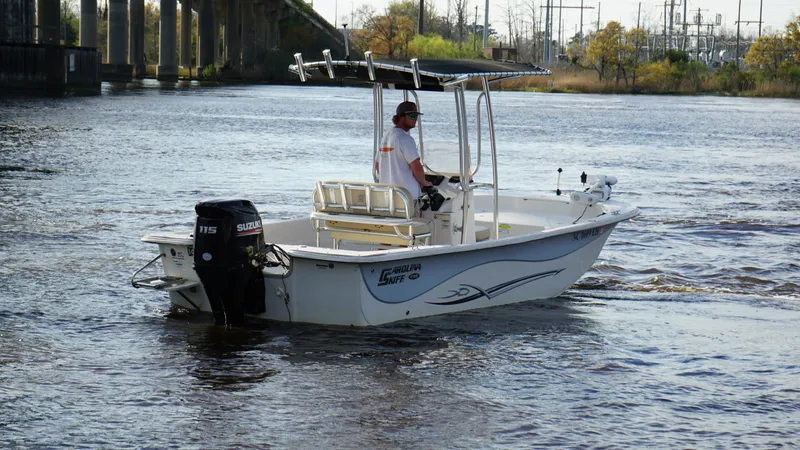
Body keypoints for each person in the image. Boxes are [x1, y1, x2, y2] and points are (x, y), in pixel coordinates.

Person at [375, 101, 433, 200]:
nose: (415, 119)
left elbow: (377, 165)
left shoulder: (386, 136)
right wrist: (424, 182)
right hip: (407, 197)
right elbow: (416, 166)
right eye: (412, 116)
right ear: (401, 117)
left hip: (387, 196)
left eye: (416, 116)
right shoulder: (405, 138)